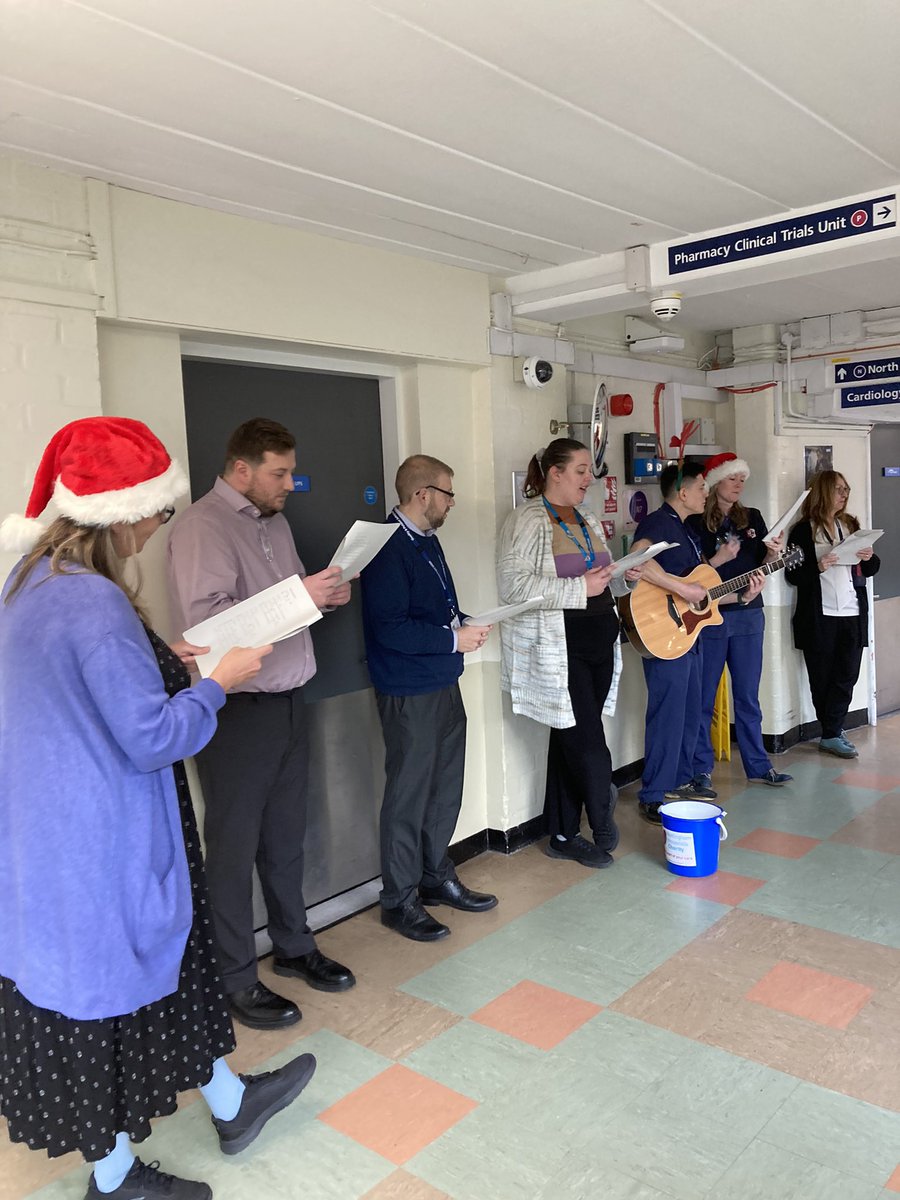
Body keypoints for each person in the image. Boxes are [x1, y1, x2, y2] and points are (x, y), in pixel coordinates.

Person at [0, 418, 316, 1200]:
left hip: (50, 835)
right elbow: (149, 738)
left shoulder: (29, 584)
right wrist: (220, 680)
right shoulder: (95, 603)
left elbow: (80, 693)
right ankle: (112, 1178)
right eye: (156, 510)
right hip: (100, 838)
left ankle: (233, 1105)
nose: (156, 526)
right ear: (120, 512)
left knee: (168, 977)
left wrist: (159, 661)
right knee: (103, 1008)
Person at [167, 417, 356, 1033]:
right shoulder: (202, 527)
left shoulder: (273, 523)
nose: (290, 484)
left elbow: (286, 609)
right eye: (279, 473)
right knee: (233, 848)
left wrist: (321, 597)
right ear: (241, 469)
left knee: (285, 839)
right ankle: (234, 980)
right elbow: (209, 628)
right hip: (236, 713)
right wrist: (301, 597)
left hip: (290, 702)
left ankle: (295, 948)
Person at [361, 454, 497, 942]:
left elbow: (438, 608)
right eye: (448, 493)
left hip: (443, 681)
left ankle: (436, 877)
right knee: (408, 795)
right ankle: (399, 900)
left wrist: (463, 622)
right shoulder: (386, 547)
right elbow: (390, 627)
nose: (451, 503)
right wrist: (450, 639)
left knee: (444, 788)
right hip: (408, 690)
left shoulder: (428, 542)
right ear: (423, 495)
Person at [497, 438, 642, 868]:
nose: (588, 479)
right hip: (561, 648)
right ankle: (601, 817)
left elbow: (604, 580)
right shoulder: (526, 520)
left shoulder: (588, 518)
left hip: (600, 640)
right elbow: (514, 588)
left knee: (570, 738)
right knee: (588, 742)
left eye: (589, 471)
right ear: (554, 473)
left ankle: (561, 832)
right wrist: (581, 587)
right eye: (580, 470)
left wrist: (624, 577)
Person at [687, 452, 792, 788]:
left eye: (742, 480)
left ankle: (759, 765)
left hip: (748, 614)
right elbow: (693, 573)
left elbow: (764, 559)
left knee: (747, 695)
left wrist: (775, 553)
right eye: (732, 479)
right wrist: (719, 560)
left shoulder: (753, 517)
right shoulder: (696, 522)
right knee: (703, 697)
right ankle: (700, 769)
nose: (738, 485)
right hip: (710, 617)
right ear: (715, 481)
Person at [629, 462, 723, 824]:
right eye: (701, 487)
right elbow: (638, 560)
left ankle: (682, 780)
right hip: (664, 633)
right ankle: (653, 793)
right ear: (682, 492)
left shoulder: (685, 530)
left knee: (689, 710)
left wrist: (743, 594)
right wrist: (682, 588)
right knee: (668, 713)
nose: (706, 493)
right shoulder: (657, 522)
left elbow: (701, 591)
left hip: (688, 634)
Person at [786, 469, 880, 758]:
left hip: (852, 611)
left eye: (846, 490)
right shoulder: (803, 529)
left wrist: (869, 557)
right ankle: (831, 732)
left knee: (847, 673)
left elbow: (872, 568)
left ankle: (832, 729)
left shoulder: (850, 524)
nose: (844, 495)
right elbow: (793, 575)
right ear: (824, 491)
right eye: (839, 489)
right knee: (822, 675)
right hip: (820, 615)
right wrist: (819, 566)